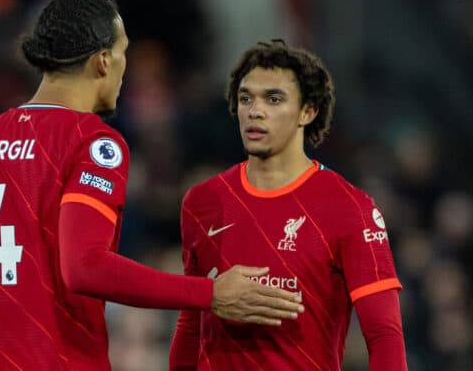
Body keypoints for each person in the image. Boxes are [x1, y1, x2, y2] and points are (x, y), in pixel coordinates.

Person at [0, 0, 304, 370]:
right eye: (122, 52)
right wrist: (210, 293)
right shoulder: (92, 141)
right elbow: (84, 266)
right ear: (101, 62)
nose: (123, 67)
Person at [170, 39, 407, 370]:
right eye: (245, 98)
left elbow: (384, 335)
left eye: (274, 99)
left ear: (307, 111)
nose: (255, 110)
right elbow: (191, 326)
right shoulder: (202, 201)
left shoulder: (350, 207)